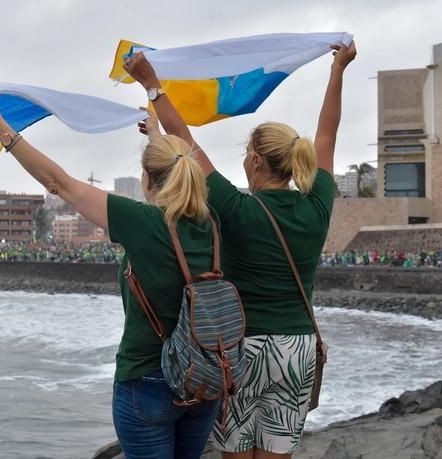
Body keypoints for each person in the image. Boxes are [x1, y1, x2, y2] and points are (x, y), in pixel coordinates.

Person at [124, 41, 357, 459]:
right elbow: (328, 131)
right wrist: (338, 69)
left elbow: (186, 144)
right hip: (297, 349)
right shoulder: (317, 204)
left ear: (253, 161)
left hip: (241, 350)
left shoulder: (234, 208)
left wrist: (153, 85)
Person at [0, 94, 221, 458]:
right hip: (203, 380)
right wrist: (155, 136)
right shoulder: (211, 224)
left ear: (147, 179)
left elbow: (60, 184)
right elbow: (171, 171)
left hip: (148, 380)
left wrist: (0, 129)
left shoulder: (145, 223)